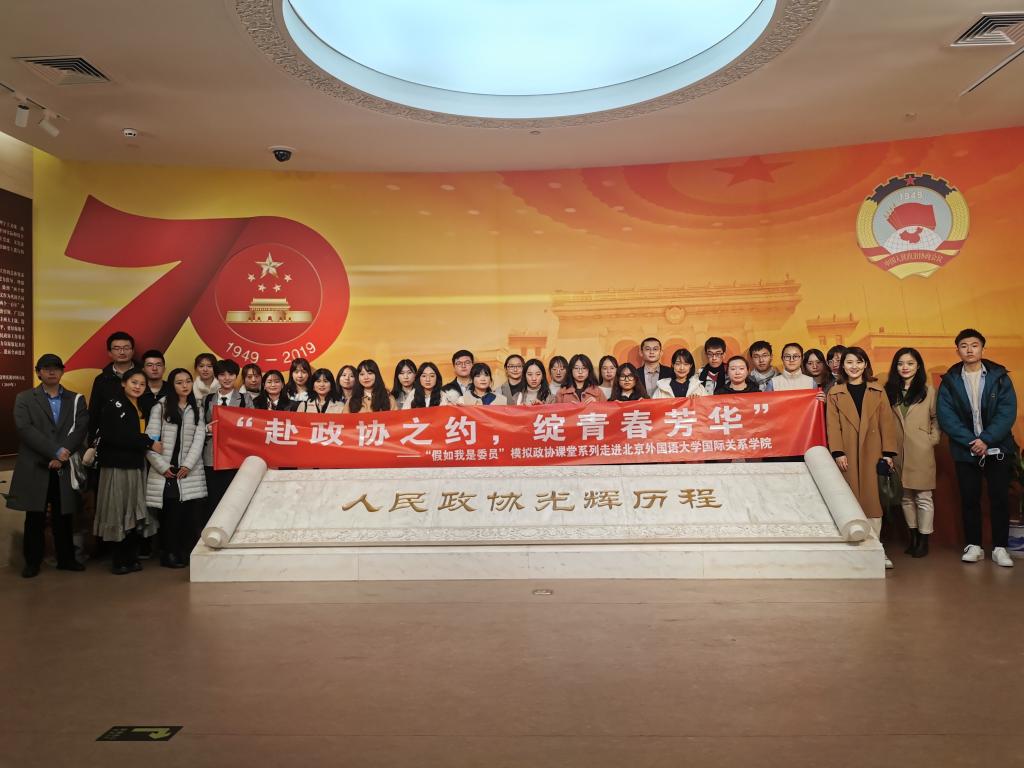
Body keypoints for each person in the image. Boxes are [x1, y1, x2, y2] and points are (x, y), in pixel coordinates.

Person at [937, 329, 1019, 567]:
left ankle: (1000, 548)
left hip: (997, 448)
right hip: (966, 450)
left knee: (999, 499)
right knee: (969, 498)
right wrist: (971, 442)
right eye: (964, 346)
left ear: (982, 348)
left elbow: (1007, 411)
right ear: (958, 350)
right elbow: (946, 416)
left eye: (974, 345)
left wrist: (987, 439)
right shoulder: (950, 380)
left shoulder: (999, 377)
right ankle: (974, 545)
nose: (970, 350)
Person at [8, 354, 89, 578]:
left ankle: (66, 559)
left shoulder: (76, 399)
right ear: (38, 372)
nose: (52, 372)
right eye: (46, 368)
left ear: (62, 371)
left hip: (63, 465)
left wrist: (62, 454)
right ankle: (32, 562)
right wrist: (54, 451)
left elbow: (80, 428)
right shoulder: (24, 398)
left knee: (64, 515)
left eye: (56, 368)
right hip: (35, 465)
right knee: (34, 515)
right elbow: (25, 429)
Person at [826, 347, 898, 569]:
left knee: (873, 501)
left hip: (873, 452)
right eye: (849, 362)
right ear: (842, 366)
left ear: (865, 364)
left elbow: (887, 423)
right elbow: (833, 426)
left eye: (858, 362)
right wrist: (838, 452)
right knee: (850, 499)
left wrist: (888, 453)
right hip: (846, 453)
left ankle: (876, 549)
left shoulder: (877, 390)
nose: (854, 366)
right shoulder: (835, 392)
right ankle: (854, 550)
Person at [93, 367, 161, 575]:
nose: (138, 387)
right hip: (117, 466)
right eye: (134, 382)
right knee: (118, 511)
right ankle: (119, 560)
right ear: (124, 383)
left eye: (142, 384)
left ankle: (131, 557)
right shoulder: (114, 405)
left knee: (132, 511)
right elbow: (116, 435)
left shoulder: (140, 406)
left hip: (135, 464)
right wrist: (148, 442)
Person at [145, 368, 207, 568]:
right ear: (172, 385)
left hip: (189, 470)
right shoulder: (160, 407)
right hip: (167, 471)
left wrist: (188, 465)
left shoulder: (197, 407)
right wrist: (162, 467)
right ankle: (169, 553)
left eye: (188, 381)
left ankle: (184, 552)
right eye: (179, 382)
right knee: (170, 515)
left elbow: (199, 439)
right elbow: (150, 441)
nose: (185, 385)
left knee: (188, 515)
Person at [884, 348, 940, 558]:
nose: (905, 367)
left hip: (921, 450)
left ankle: (924, 540)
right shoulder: (889, 391)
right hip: (897, 451)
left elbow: (936, 418)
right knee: (905, 497)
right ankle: (913, 537)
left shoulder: (928, 391)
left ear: (918, 366)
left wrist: (931, 440)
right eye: (900, 363)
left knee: (923, 497)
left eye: (910, 363)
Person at [202, 360, 252, 519]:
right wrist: (207, 429)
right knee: (213, 498)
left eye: (231, 374)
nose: (227, 378)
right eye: (222, 374)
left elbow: (252, 426)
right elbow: (198, 425)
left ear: (236, 376)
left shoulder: (245, 399)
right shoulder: (207, 399)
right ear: (217, 377)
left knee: (234, 497)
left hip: (235, 456)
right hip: (212, 456)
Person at [88, 331, 137, 445]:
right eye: (117, 348)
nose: (122, 352)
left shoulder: (143, 376)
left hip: (139, 437)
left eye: (126, 348)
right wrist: (91, 440)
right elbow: (94, 411)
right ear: (109, 353)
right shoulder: (101, 379)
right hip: (108, 439)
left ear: (133, 351)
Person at [138, 349, 172, 417]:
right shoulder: (136, 390)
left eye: (158, 365)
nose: (154, 368)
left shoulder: (172, 390)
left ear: (164, 369)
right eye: (150, 365)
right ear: (143, 369)